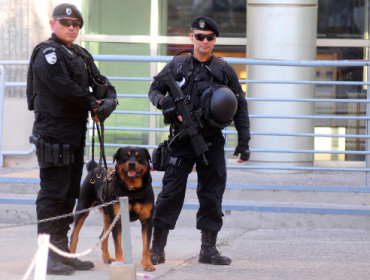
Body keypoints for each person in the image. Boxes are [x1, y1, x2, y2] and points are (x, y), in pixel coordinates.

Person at [148, 16, 250, 266]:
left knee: (212, 194)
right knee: (170, 194)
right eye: (200, 36)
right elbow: (154, 90)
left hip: (211, 141)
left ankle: (208, 249)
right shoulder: (177, 65)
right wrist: (165, 102)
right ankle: (156, 249)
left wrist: (244, 141)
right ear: (191, 38)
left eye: (210, 37)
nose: (205, 41)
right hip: (181, 139)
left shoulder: (224, 70)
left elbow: (240, 106)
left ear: (215, 40)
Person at [26, 3, 117, 275]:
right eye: (65, 23)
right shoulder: (48, 53)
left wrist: (109, 101)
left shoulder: (80, 53)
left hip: (76, 133)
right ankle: (47, 256)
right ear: (52, 24)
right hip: (53, 132)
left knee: (68, 194)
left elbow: (102, 81)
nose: (71, 28)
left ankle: (62, 251)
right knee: (53, 194)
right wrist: (92, 102)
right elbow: (61, 86)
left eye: (76, 25)